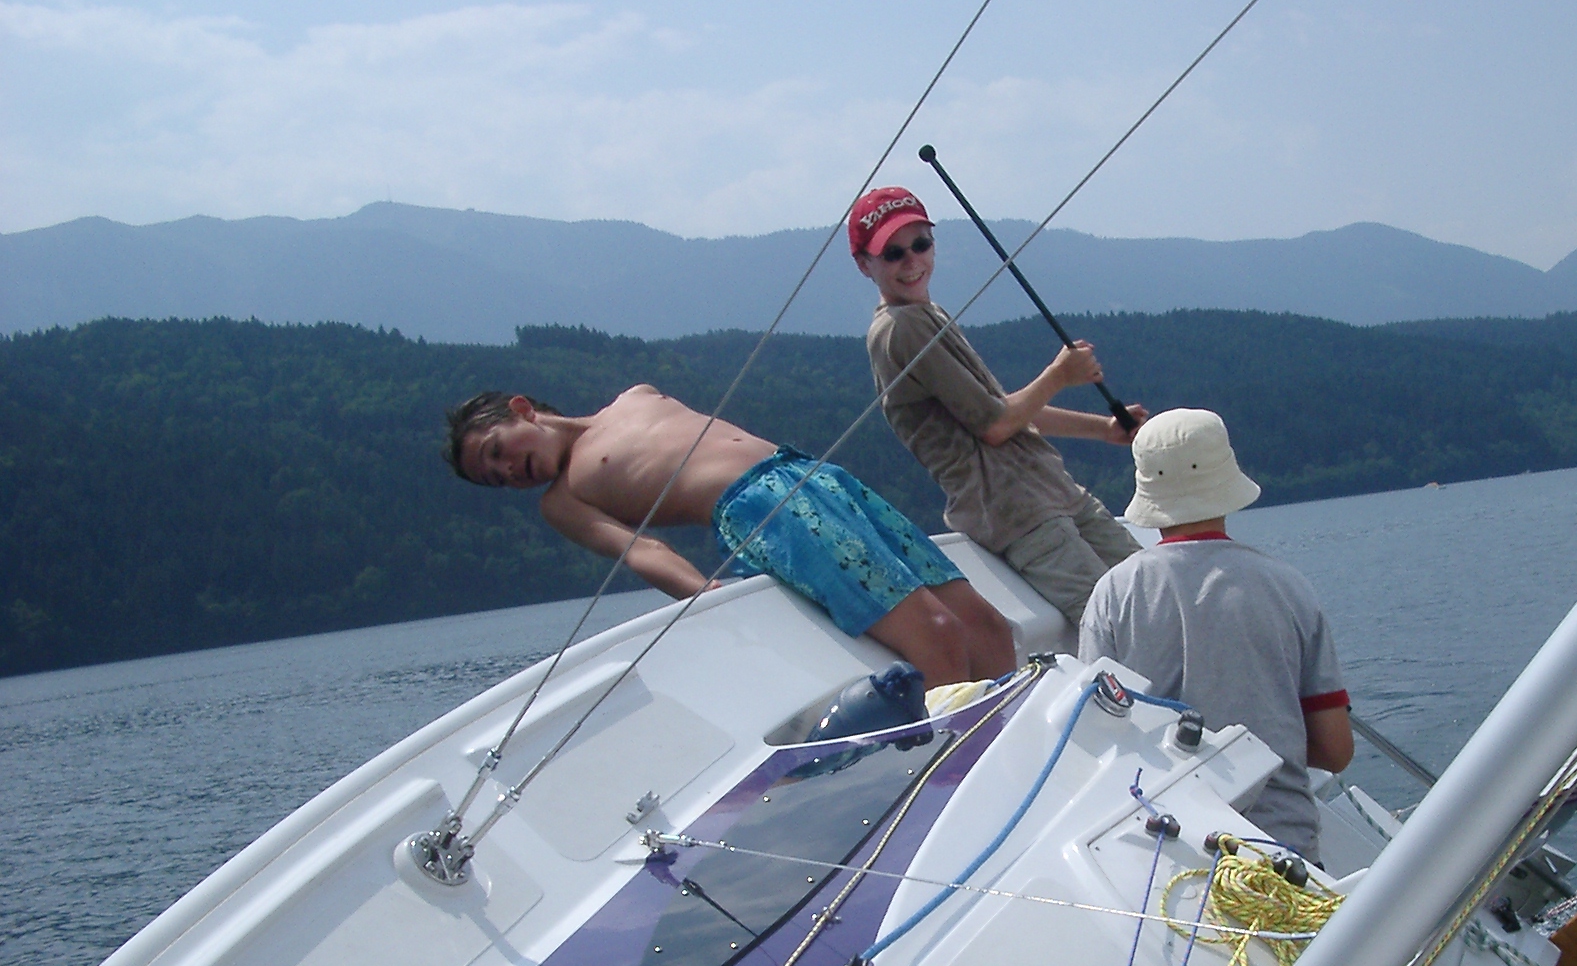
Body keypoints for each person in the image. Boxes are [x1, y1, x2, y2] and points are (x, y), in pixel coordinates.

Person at [443, 385, 1016, 685]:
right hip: (762, 511)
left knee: (984, 624)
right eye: (496, 479)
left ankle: (1019, 746)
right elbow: (640, 550)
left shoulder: (635, 397)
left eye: (497, 451)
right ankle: (955, 779)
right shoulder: (564, 498)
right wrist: (702, 592)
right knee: (936, 635)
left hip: (815, 476)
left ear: (522, 410)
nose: (508, 472)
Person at [853, 186, 1147, 625]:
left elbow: (1005, 411)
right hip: (1017, 514)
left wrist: (1103, 429)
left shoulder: (927, 315)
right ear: (865, 265)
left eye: (921, 244)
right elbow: (995, 425)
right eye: (893, 254)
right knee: (1120, 620)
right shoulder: (902, 328)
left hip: (1053, 493)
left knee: (1153, 592)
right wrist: (1059, 375)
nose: (912, 261)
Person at [1079, 409, 1354, 863]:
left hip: (1167, 851)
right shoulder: (1288, 587)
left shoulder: (1114, 593)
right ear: (1227, 480)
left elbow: (1097, 737)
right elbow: (1335, 749)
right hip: (1282, 848)